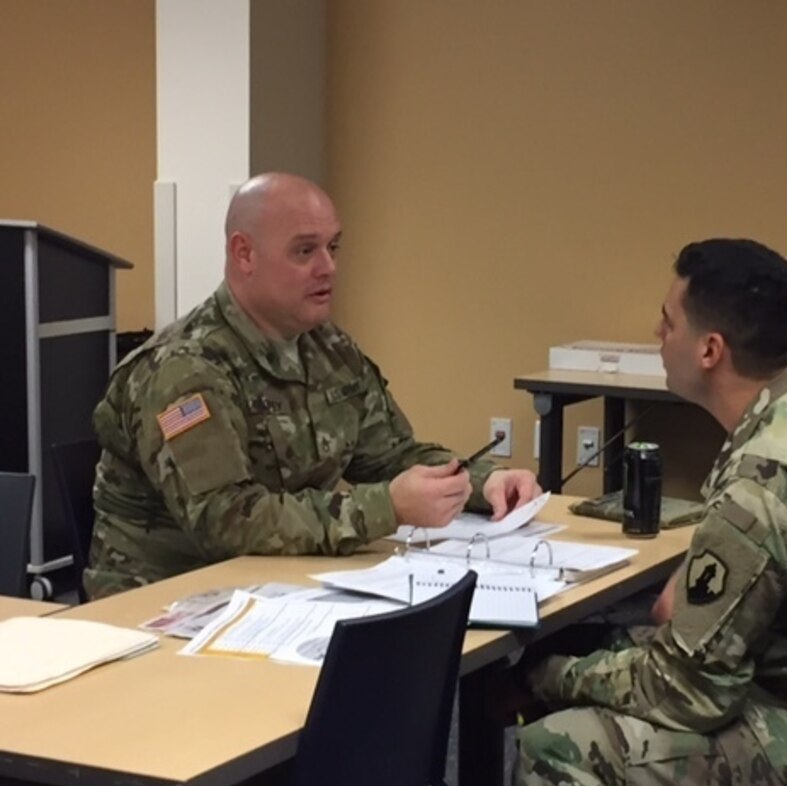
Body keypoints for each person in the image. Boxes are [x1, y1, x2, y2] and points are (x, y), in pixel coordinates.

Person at [514, 238, 787, 786]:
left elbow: (693, 693)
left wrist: (549, 676)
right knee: (609, 649)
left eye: (668, 324)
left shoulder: (763, 480)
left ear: (710, 349)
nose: (657, 336)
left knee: (555, 747)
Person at [86, 172, 540, 599]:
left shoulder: (325, 347)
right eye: (305, 251)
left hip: (282, 586)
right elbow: (225, 522)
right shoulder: (185, 370)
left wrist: (484, 483)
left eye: (333, 248)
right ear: (244, 254)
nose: (328, 267)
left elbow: (390, 457)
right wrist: (387, 508)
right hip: (166, 600)